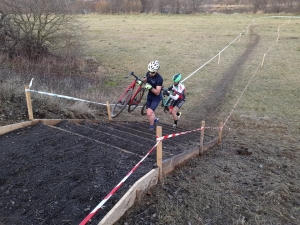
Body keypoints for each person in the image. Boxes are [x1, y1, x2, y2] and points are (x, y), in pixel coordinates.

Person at [143, 60, 163, 130]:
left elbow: (157, 92)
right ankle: (155, 120)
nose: (151, 73)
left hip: (156, 98)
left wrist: (150, 88)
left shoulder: (159, 79)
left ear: (156, 71)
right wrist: (141, 81)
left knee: (149, 113)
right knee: (148, 111)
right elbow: (145, 79)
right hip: (150, 95)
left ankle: (151, 126)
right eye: (149, 71)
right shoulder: (148, 73)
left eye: (153, 72)